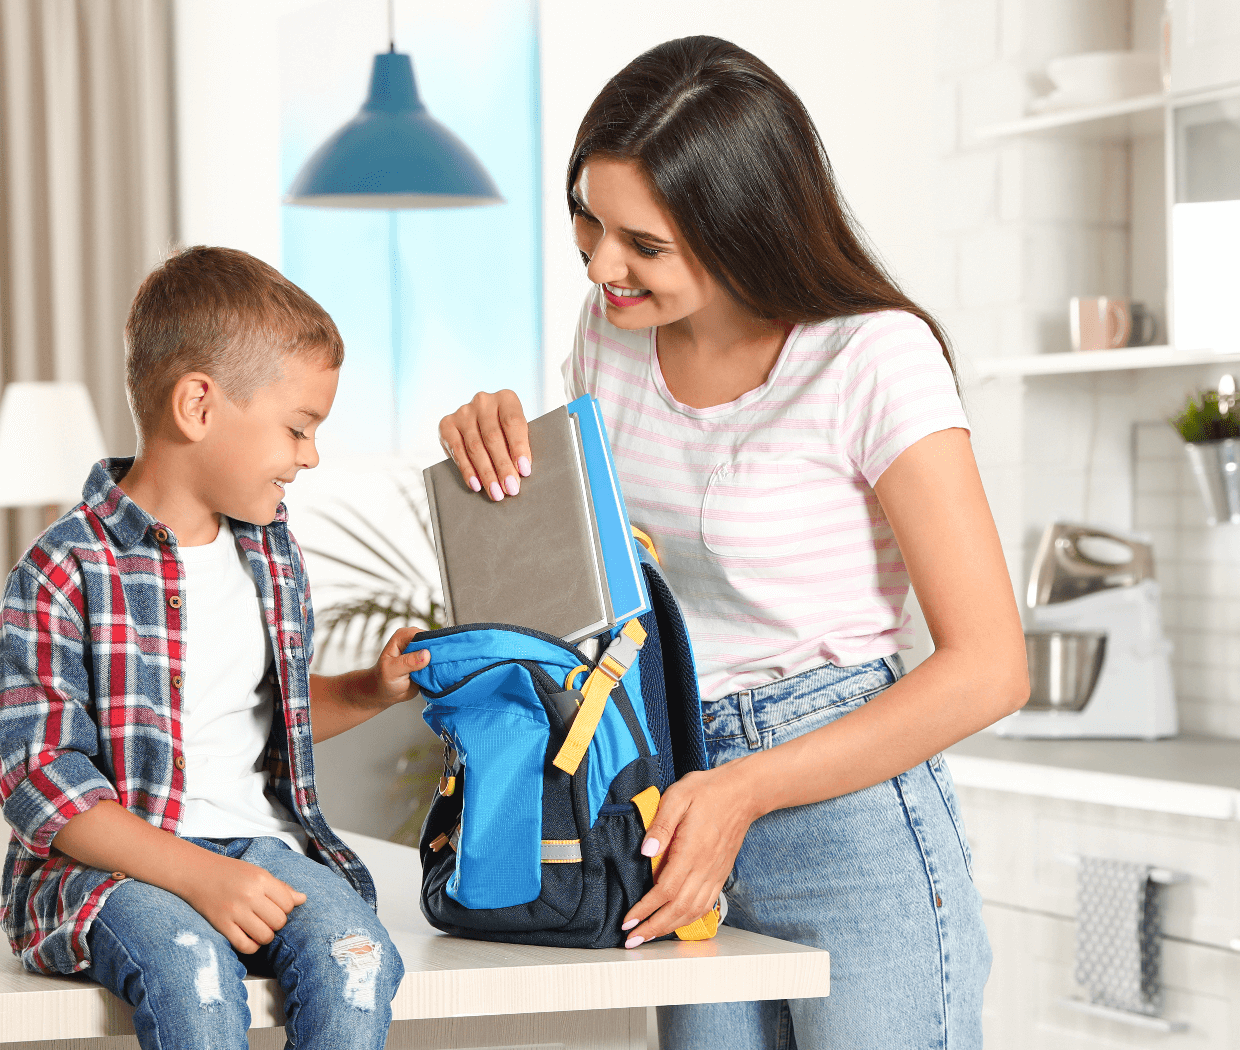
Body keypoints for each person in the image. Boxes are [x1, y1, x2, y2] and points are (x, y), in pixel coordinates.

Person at [437, 36, 1028, 1050]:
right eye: (588, 221)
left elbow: (991, 669)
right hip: (671, 787)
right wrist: (503, 457)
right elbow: (600, 585)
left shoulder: (872, 357)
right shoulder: (609, 331)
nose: (602, 264)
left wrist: (746, 789)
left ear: (743, 227)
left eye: (643, 244)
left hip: (848, 814)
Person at [0, 246, 429, 1050]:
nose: (311, 455)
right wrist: (200, 875)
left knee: (358, 959)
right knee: (191, 970)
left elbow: (267, 717)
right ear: (198, 405)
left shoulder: (269, 552)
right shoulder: (60, 572)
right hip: (108, 873)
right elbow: (42, 786)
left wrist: (366, 689)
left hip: (257, 845)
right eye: (298, 427)